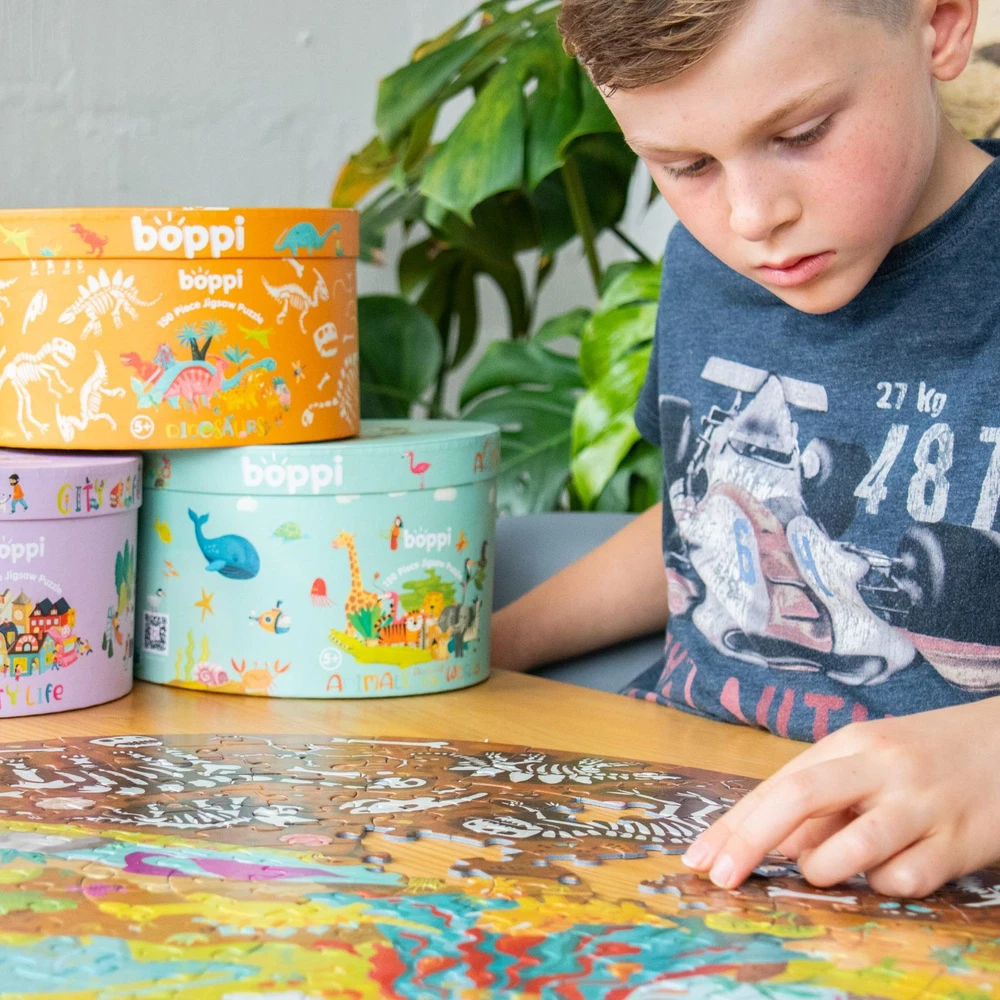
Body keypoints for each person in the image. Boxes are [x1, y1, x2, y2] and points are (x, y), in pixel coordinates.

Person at [491, 0, 1000, 899]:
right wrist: (485, 648)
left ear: (942, 25)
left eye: (801, 134)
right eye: (685, 167)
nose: (753, 216)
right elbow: (700, 521)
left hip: (922, 881)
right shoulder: (710, 262)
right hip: (674, 824)